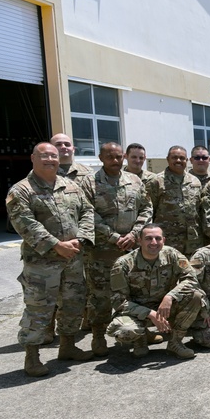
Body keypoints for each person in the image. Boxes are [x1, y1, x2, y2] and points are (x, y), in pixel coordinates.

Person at [7, 142, 95, 376]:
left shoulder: (71, 186)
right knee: (38, 309)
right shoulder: (21, 190)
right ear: (33, 158)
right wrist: (56, 245)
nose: (50, 160)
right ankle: (32, 357)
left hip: (73, 259)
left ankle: (67, 346)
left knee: (73, 303)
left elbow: (87, 212)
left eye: (53, 156)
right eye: (44, 155)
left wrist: (82, 238)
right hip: (42, 265)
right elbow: (24, 222)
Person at [80, 142, 153, 356]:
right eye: (110, 157)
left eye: (119, 157)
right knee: (100, 296)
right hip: (103, 251)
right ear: (101, 157)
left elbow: (146, 208)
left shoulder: (134, 180)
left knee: (136, 293)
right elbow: (86, 213)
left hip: (131, 249)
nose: (115, 161)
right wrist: (112, 237)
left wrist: (134, 234)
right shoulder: (90, 183)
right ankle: (98, 336)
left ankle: (140, 334)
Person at [108, 224, 203, 359]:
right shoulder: (123, 264)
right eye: (148, 238)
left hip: (164, 308)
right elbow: (118, 301)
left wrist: (170, 296)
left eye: (158, 238)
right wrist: (149, 313)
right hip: (137, 312)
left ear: (163, 240)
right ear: (139, 241)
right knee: (125, 330)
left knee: (195, 296)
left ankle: (175, 342)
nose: (154, 243)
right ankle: (140, 338)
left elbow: (191, 278)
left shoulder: (172, 254)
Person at [147, 146, 205, 257]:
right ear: (168, 159)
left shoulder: (195, 181)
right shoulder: (156, 182)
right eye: (174, 157)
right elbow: (149, 211)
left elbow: (199, 210)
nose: (178, 161)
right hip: (167, 241)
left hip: (193, 241)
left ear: (187, 160)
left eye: (182, 158)